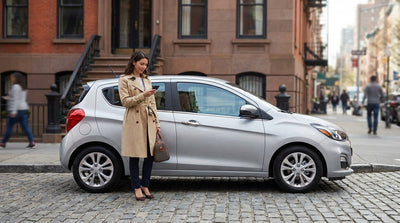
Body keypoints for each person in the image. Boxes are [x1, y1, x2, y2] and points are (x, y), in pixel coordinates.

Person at [118, 51, 160, 201]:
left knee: (150, 156)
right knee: (135, 156)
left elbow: (153, 103)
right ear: (134, 62)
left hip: (148, 120)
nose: (143, 67)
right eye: (141, 64)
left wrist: (157, 123)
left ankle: (145, 185)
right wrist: (143, 95)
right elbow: (125, 102)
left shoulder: (147, 79)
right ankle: (136, 187)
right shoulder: (125, 80)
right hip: (134, 121)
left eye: (145, 64)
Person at [0, 72, 35, 149]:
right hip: (24, 109)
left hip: (17, 110)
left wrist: (13, 112)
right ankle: (31, 141)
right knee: (25, 126)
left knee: (9, 126)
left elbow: (16, 100)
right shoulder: (23, 87)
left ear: (16, 78)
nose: (11, 79)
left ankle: (3, 142)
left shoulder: (15, 87)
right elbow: (19, 98)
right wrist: (9, 98)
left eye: (12, 77)